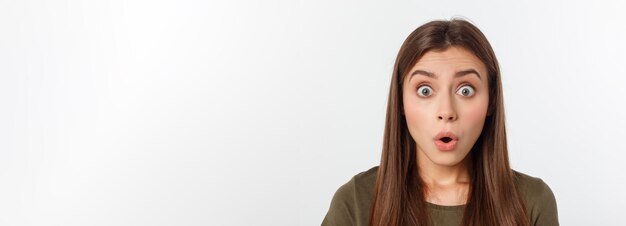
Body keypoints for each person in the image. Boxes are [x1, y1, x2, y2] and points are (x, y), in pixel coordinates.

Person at [321, 19, 559, 226]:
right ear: (401, 102)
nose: (446, 111)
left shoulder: (532, 202)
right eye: (425, 90)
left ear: (492, 101)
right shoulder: (355, 201)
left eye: (465, 90)